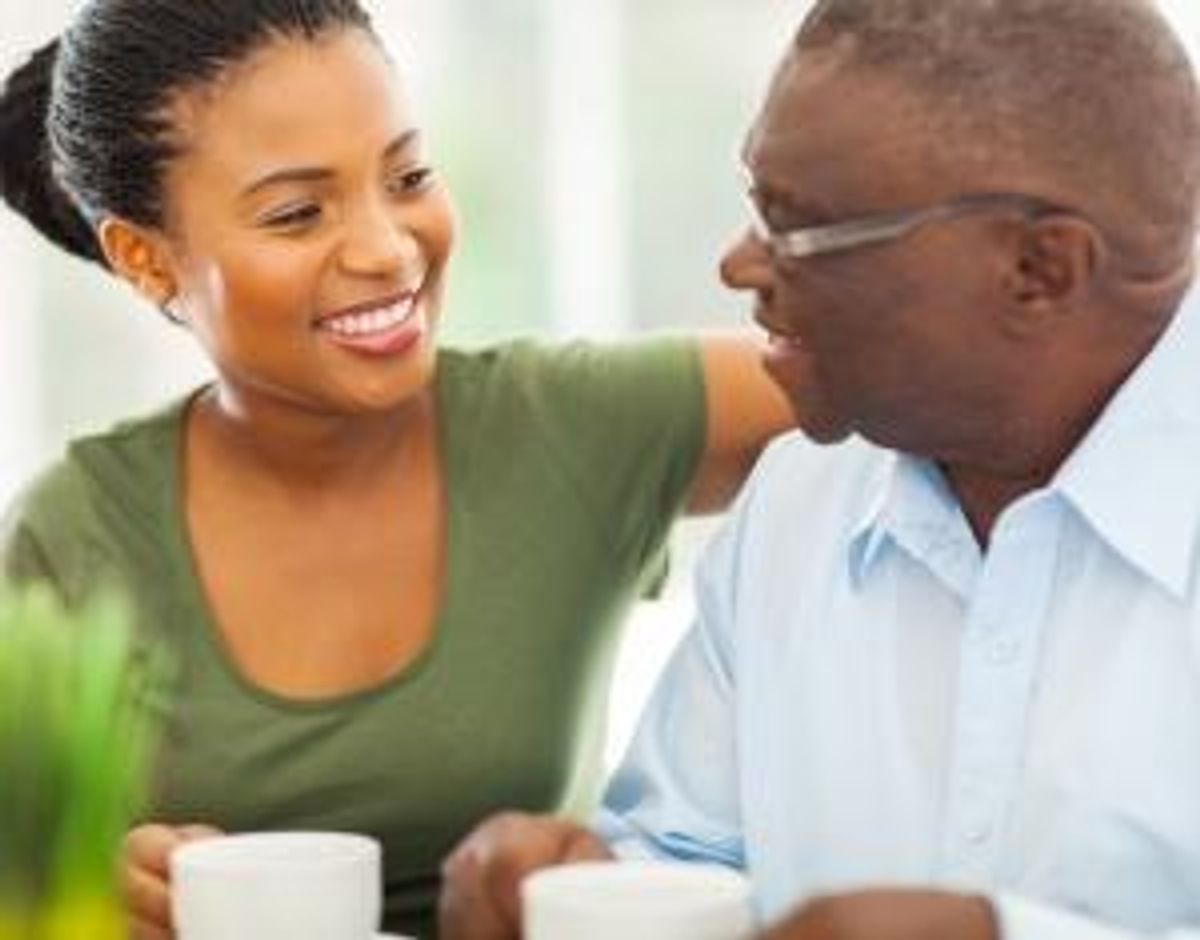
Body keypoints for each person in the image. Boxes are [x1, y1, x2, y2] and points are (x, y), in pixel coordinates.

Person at [0, 1, 791, 937]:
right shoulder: (72, 537)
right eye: (298, 214)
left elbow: (889, 369)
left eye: (408, 175)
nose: (386, 248)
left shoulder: (578, 427)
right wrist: (88, 883)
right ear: (143, 258)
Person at [438, 1, 1200, 938]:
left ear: (1039, 268)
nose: (738, 265)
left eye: (798, 229)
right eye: (756, 208)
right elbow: (690, 853)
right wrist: (591, 885)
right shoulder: (799, 498)